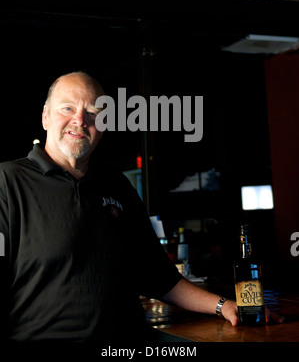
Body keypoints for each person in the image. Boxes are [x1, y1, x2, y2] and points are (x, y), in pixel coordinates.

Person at [0, 71, 256, 346]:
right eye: (68, 108)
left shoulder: (116, 185)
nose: (80, 120)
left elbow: (157, 275)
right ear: (45, 116)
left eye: (93, 112)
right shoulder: (8, 181)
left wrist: (223, 305)